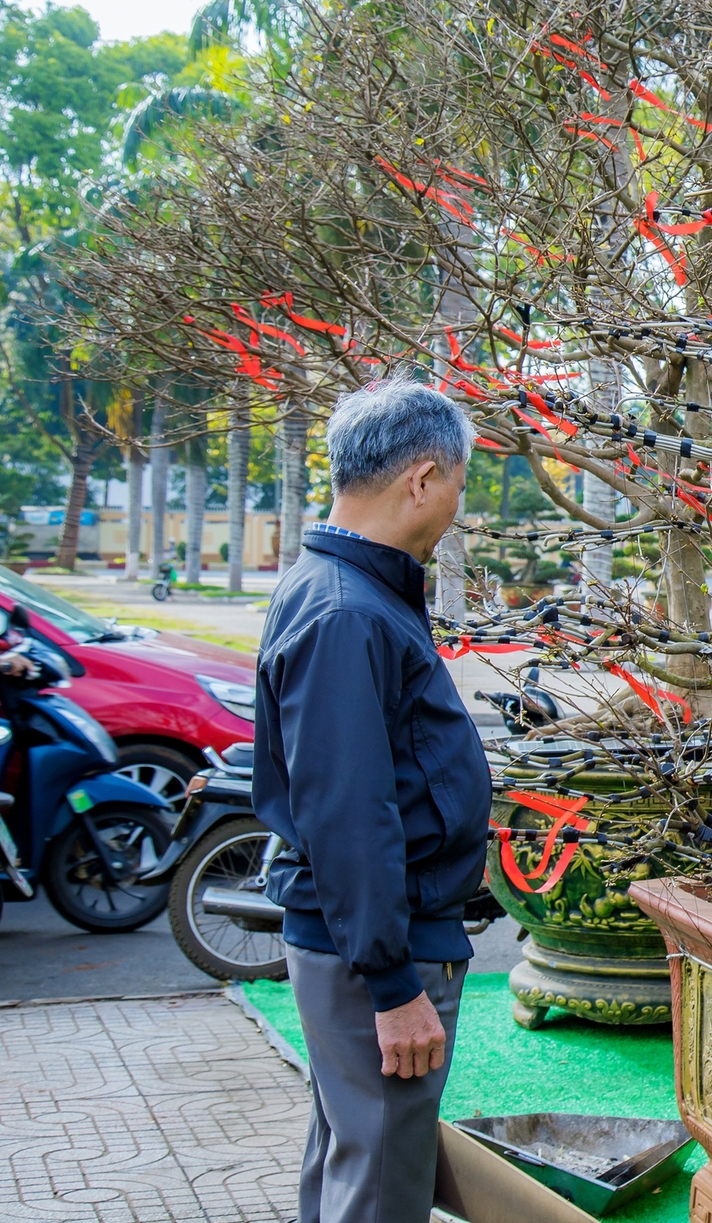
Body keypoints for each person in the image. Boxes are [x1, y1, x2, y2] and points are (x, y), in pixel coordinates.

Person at [252, 380, 489, 1223]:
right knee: (381, 1185)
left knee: (353, 1167)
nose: (458, 507)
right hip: (373, 953)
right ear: (422, 478)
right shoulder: (349, 610)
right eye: (459, 485)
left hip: (362, 940)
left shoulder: (343, 588)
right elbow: (348, 812)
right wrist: (392, 985)